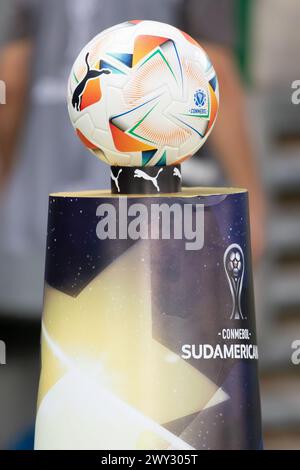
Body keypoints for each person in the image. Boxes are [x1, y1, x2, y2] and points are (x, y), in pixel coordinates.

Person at [0, 0, 265, 315]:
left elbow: (11, 81)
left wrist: (6, 179)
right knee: (156, 336)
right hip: (157, 219)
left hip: (47, 216)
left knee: (55, 343)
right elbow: (215, 69)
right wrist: (251, 204)